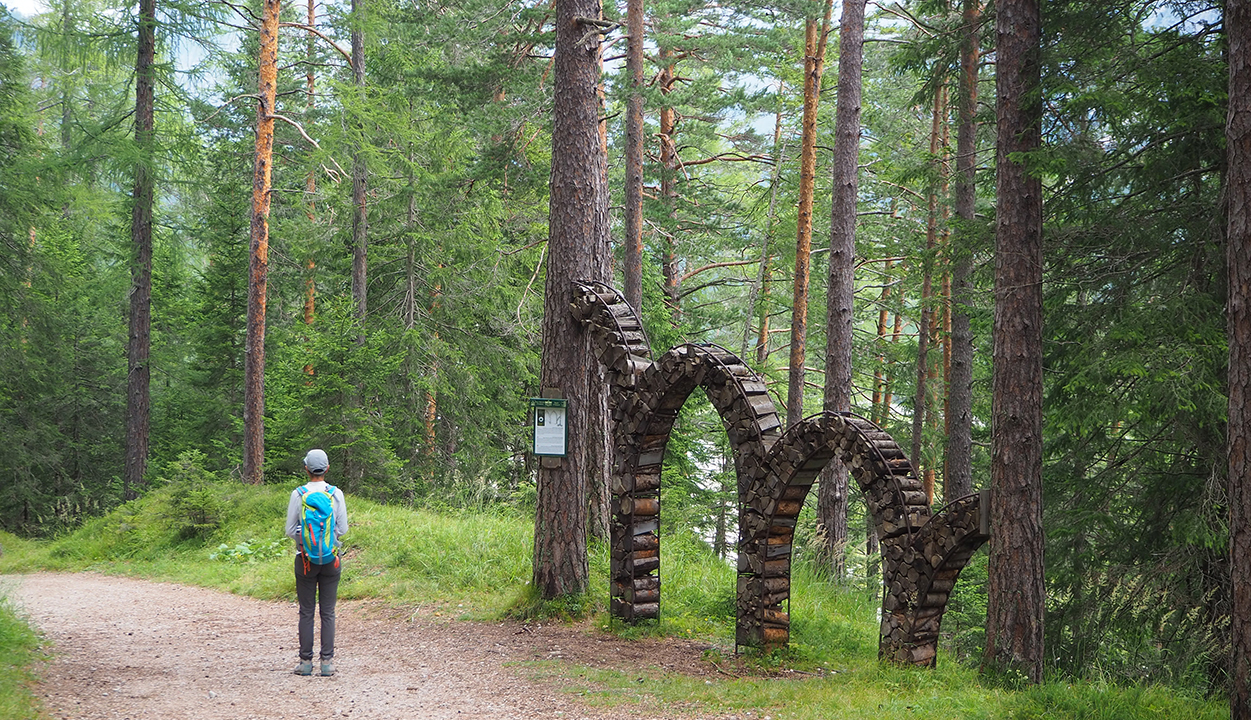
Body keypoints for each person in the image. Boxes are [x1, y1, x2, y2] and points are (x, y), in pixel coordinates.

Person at [285, 448, 348, 677]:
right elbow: (343, 528)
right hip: (331, 559)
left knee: (307, 611)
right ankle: (327, 663)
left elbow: (290, 530)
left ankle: (305, 663)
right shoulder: (335, 493)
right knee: (328, 611)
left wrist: (306, 542)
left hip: (305, 560)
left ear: (306, 469)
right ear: (327, 468)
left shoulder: (298, 494)